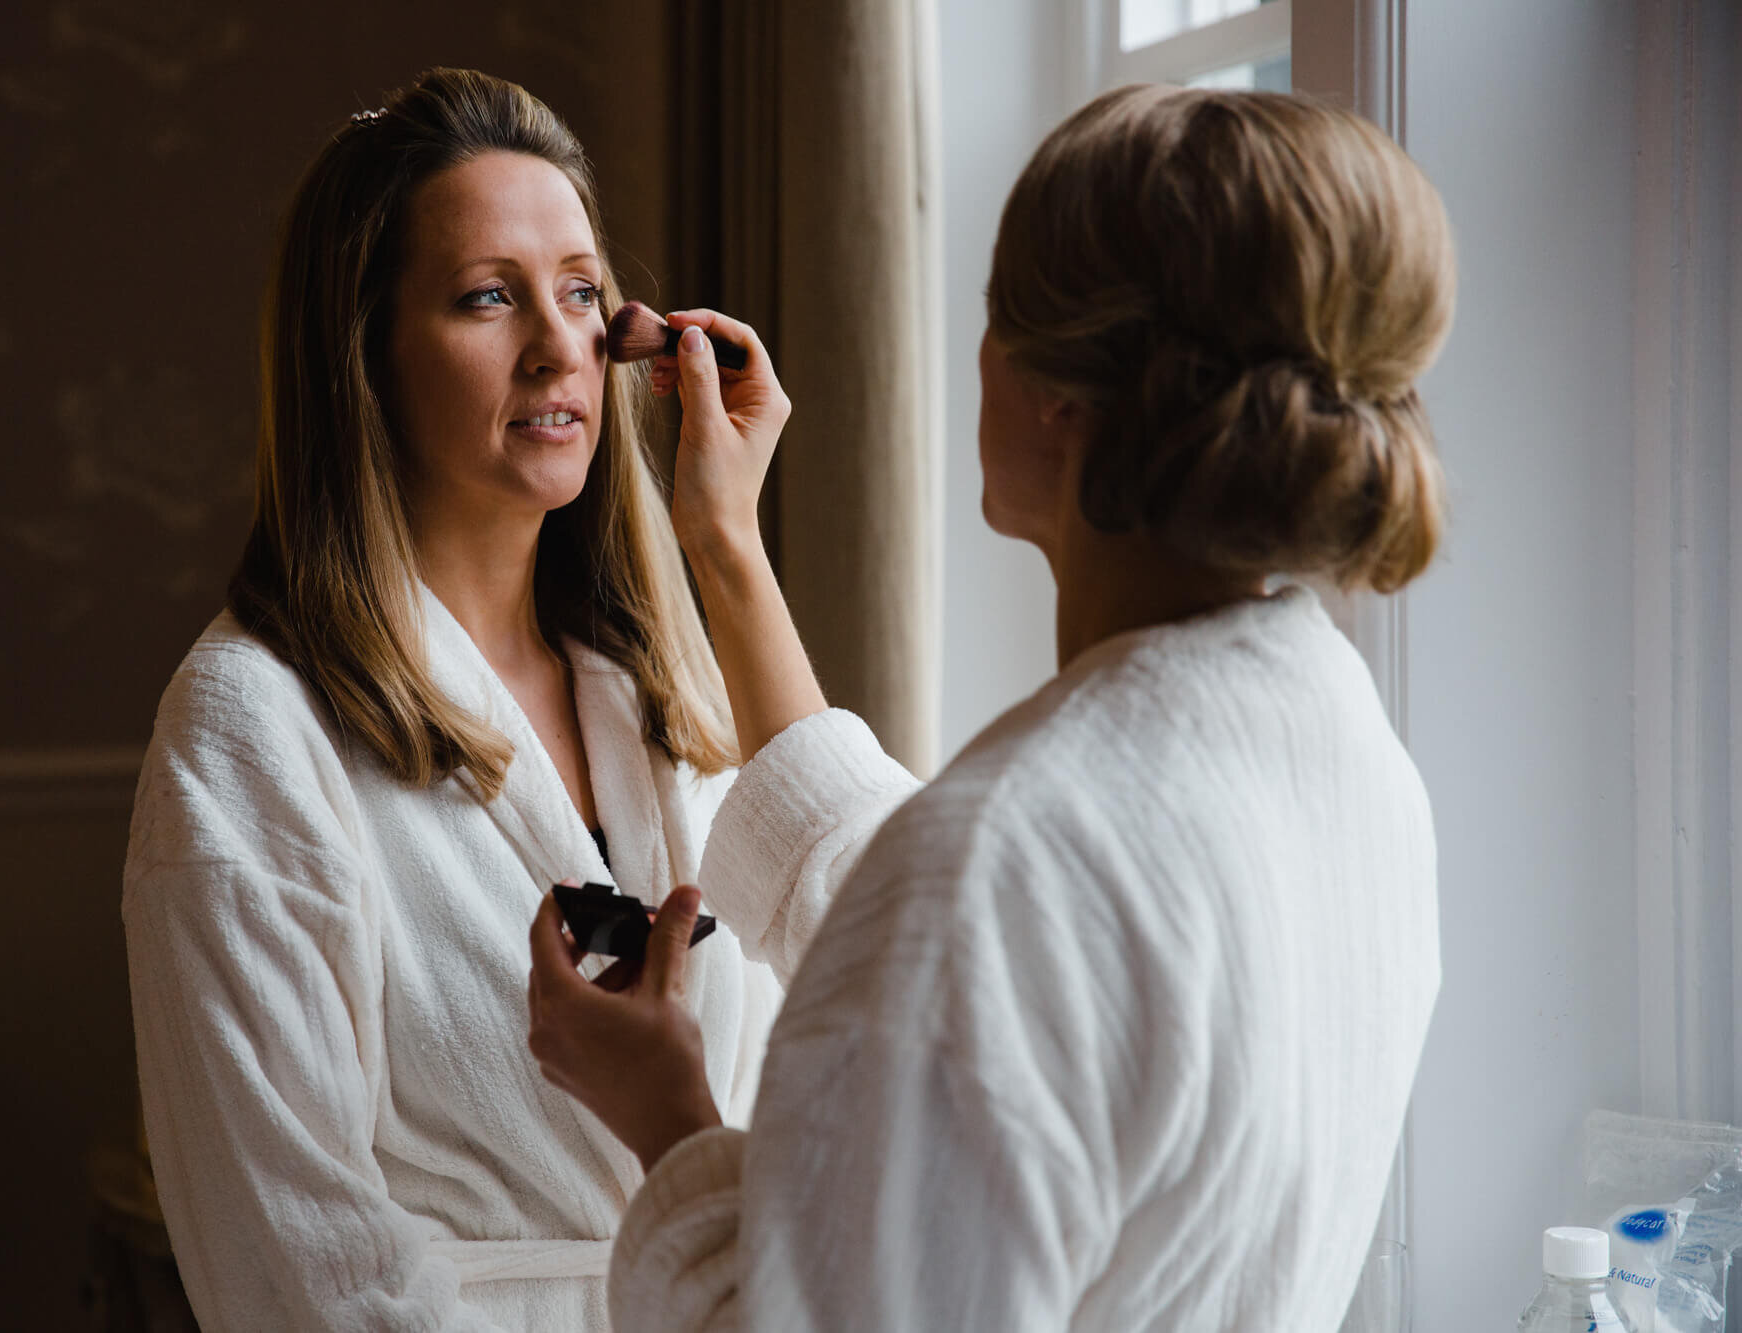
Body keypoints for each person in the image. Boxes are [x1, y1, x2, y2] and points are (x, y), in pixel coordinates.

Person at [528, 83, 1456, 1331]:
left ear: (1051, 398)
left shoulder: (998, 869)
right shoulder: (1351, 767)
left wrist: (668, 1118)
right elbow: (947, 913)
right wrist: (725, 544)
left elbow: (968, 922)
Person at [121, 69, 915, 1331]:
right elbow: (294, 1275)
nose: (558, 344)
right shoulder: (250, 731)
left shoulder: (658, 693)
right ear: (365, 356)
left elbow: (912, 973)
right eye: (487, 296)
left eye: (583, 289)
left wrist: (727, 543)